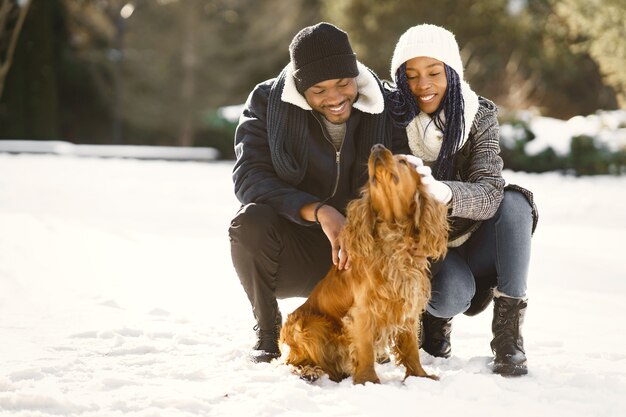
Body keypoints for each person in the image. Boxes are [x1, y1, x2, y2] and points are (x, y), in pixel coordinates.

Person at [229, 22, 408, 363]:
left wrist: (363, 230)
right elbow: (249, 177)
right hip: (298, 246)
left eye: (343, 83)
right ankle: (268, 334)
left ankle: (389, 329)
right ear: (300, 87)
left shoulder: (387, 104)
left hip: (362, 251)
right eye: (319, 90)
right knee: (249, 222)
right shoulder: (267, 102)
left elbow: (404, 174)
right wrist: (319, 211)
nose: (336, 98)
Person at [387, 24, 538, 376]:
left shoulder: (479, 115)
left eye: (434, 72)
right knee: (453, 295)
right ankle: (434, 325)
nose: (422, 85)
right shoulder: (391, 117)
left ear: (452, 71)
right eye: (410, 76)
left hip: (474, 234)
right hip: (426, 246)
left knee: (515, 202)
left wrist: (445, 192)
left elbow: (489, 190)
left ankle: (508, 337)